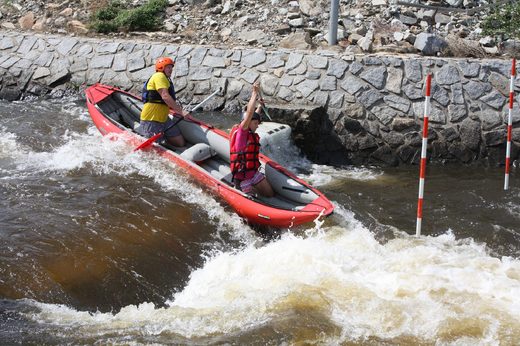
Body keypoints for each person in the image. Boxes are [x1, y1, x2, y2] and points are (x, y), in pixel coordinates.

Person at [229, 82, 274, 197]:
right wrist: (254, 93)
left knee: (270, 195)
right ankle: (239, 187)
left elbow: (253, 115)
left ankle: (256, 187)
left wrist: (260, 106)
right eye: (255, 123)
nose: (257, 125)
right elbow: (249, 113)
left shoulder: (250, 130)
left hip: (254, 173)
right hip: (242, 178)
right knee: (252, 200)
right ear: (247, 123)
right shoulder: (241, 133)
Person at [138, 57, 190, 147]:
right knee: (153, 147)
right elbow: (165, 96)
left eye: (171, 67)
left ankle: (164, 140)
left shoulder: (166, 79)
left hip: (164, 118)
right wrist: (181, 111)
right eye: (168, 67)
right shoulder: (159, 76)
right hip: (151, 119)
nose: (171, 70)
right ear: (161, 68)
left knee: (180, 143)